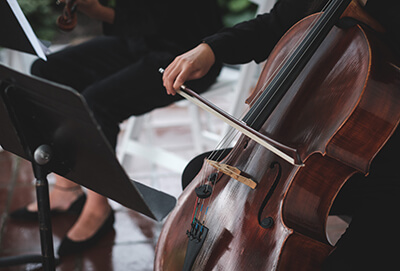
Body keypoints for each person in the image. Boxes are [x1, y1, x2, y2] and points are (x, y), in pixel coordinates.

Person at [162, 0, 400, 270]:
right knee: (201, 177)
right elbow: (273, 25)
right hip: (307, 149)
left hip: (387, 165)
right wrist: (210, 49)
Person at [10, 0, 223, 256]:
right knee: (46, 70)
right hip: (138, 41)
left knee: (96, 103)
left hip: (187, 54)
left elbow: (157, 17)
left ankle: (98, 206)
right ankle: (67, 189)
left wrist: (98, 11)